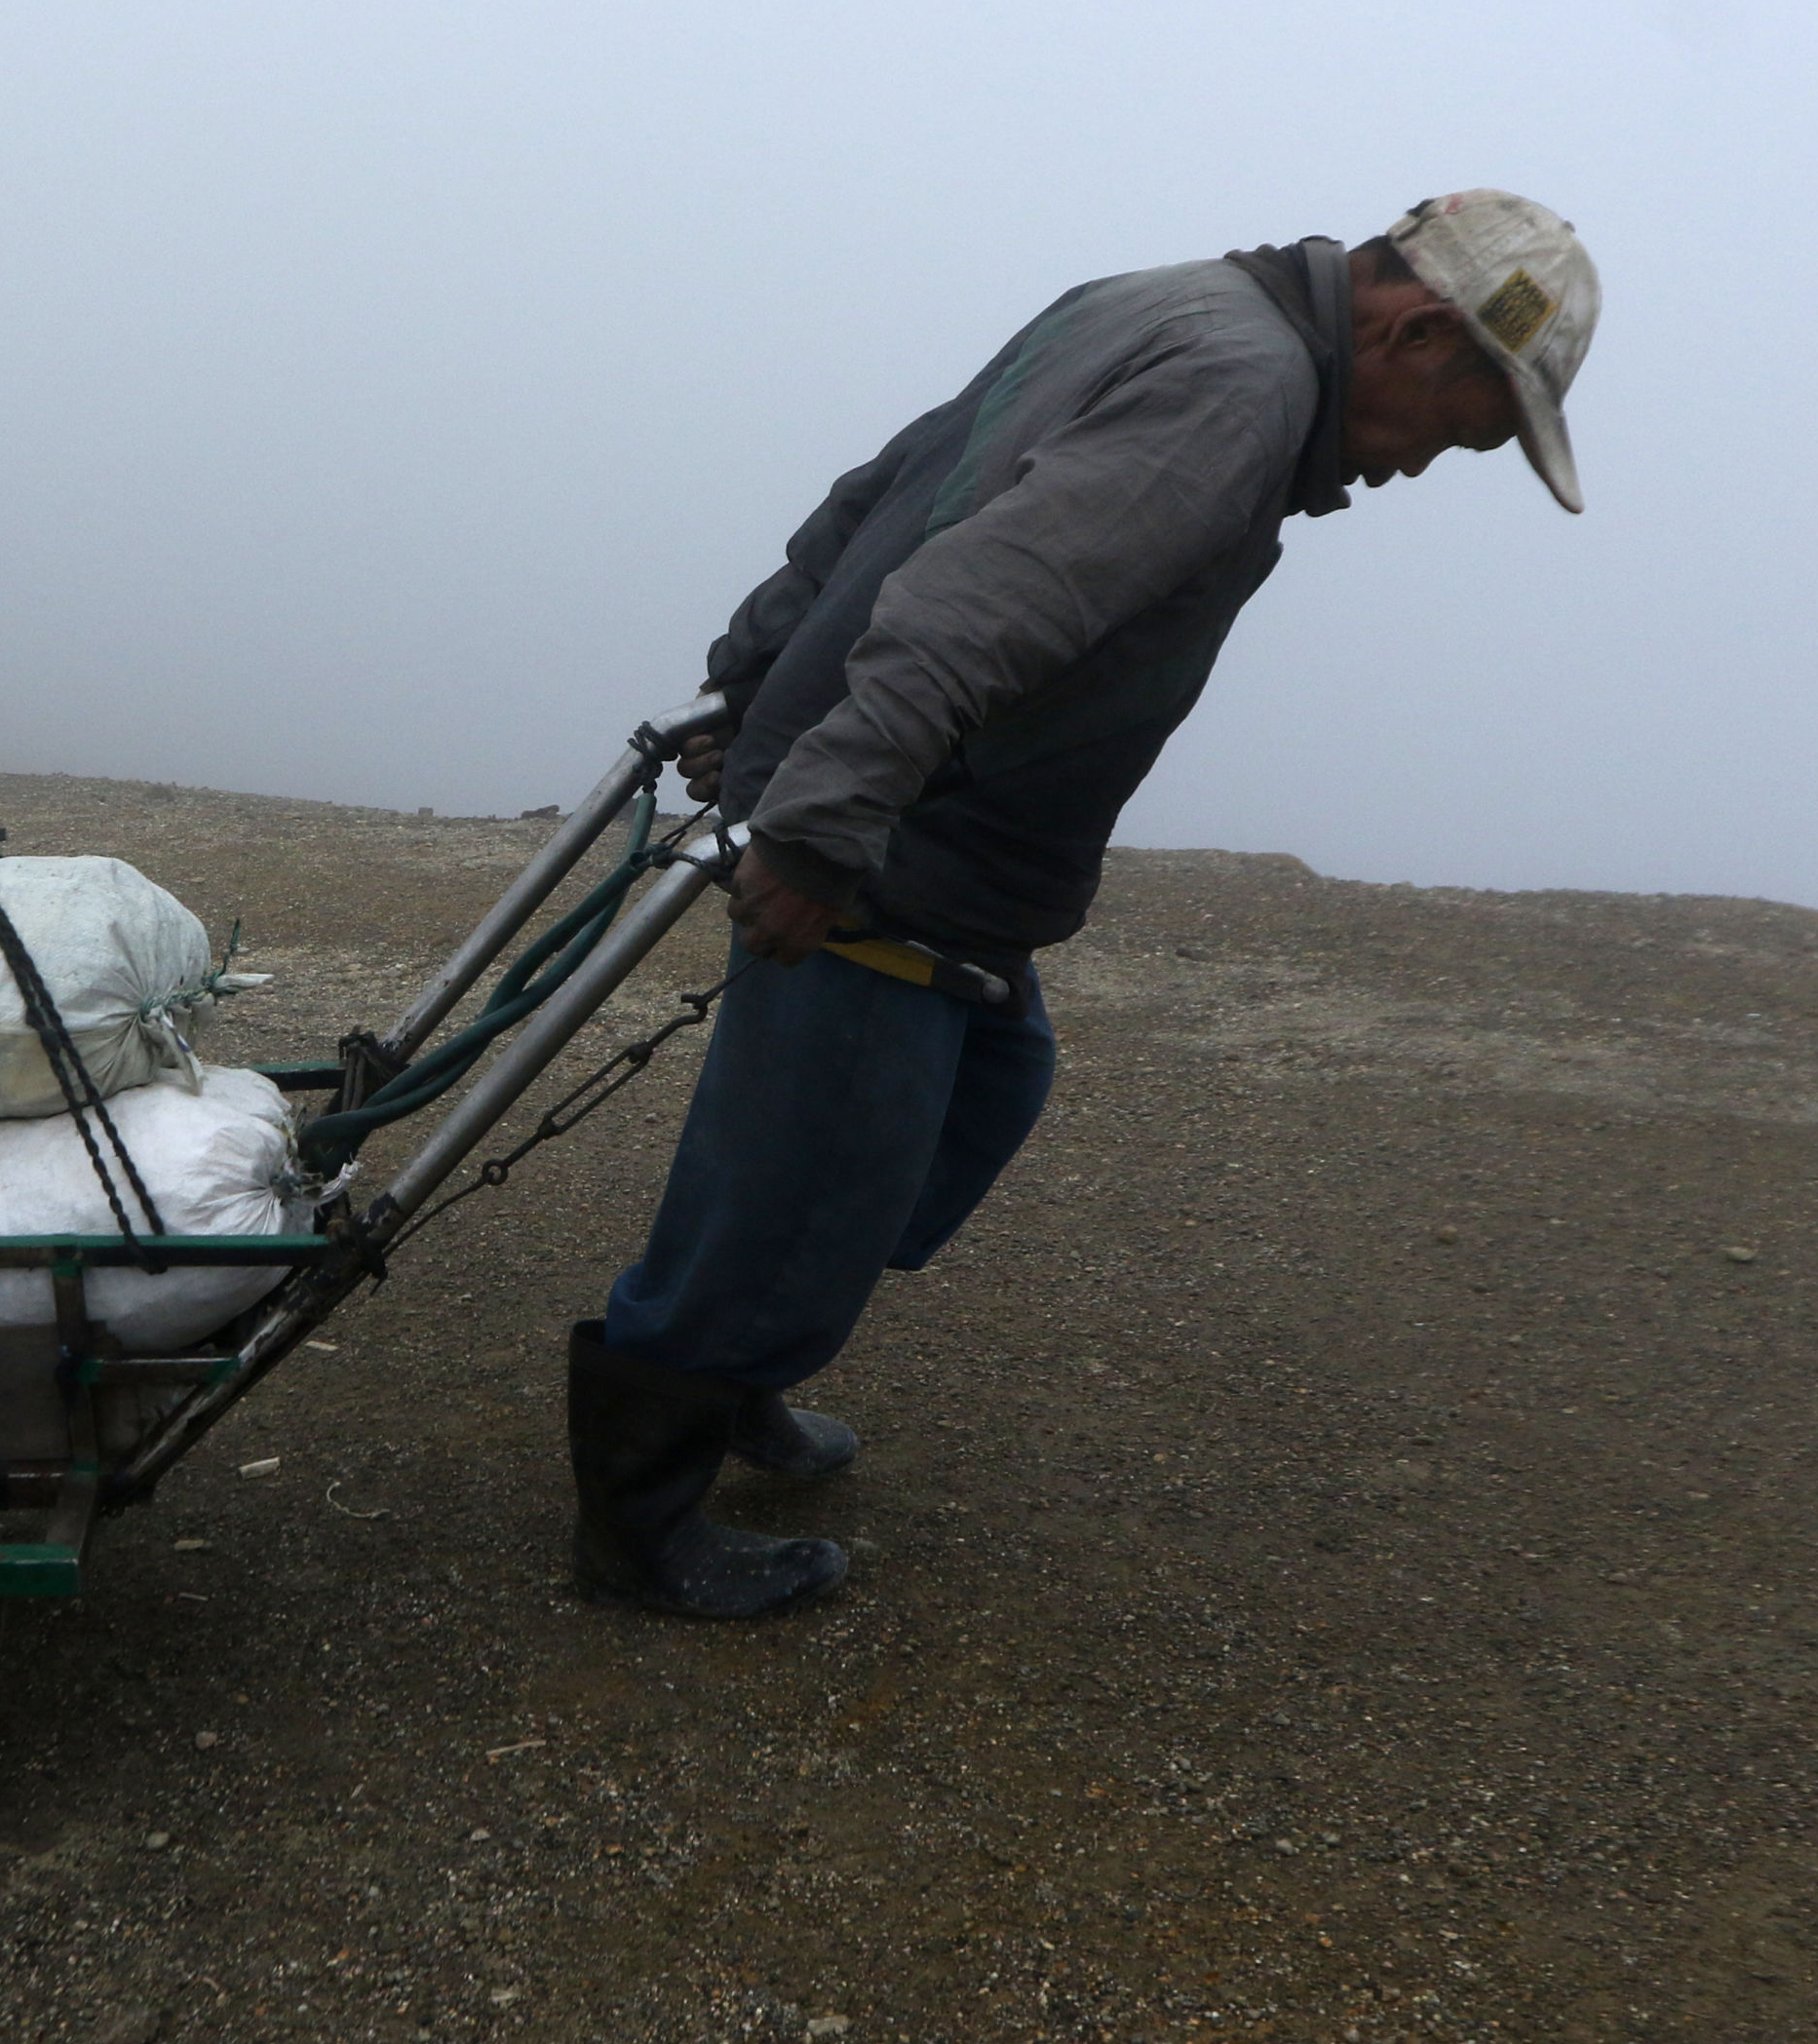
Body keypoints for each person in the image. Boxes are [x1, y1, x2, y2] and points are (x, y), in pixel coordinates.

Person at [570, 190, 1603, 1618]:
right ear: (1419, 329)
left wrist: (757, 673)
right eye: (1463, 429)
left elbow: (891, 481)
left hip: (947, 835)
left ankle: (738, 1362)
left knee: (986, 1085)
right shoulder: (1238, 390)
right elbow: (986, 595)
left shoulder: (1174, 300)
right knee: (808, 1177)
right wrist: (815, 827)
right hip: (904, 832)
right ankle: (644, 1510)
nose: (1427, 468)